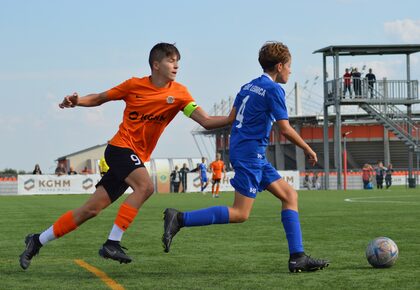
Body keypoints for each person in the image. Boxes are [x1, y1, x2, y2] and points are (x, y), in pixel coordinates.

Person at [19, 42, 234, 270]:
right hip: (119, 149)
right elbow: (101, 97)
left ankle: (37, 240)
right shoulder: (133, 85)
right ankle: (112, 243)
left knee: (90, 210)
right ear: (156, 64)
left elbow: (206, 121)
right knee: (146, 187)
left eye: (178, 61)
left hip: (134, 157)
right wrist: (77, 101)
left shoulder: (180, 94)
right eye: (171, 61)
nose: (176, 66)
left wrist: (232, 117)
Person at [162, 41, 328, 273]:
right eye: (290, 66)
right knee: (240, 213)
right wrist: (308, 148)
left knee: (289, 195)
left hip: (249, 152)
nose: (291, 71)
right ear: (280, 66)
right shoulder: (274, 90)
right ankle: (180, 219)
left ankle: (297, 257)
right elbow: (285, 129)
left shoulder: (248, 86)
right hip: (250, 154)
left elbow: (231, 118)